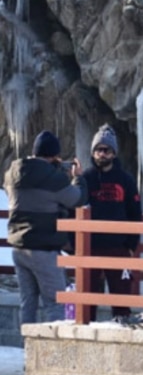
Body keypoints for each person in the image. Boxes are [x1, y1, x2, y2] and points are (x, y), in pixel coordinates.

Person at [4, 130, 88, 324]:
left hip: (19, 248)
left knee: (28, 302)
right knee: (54, 302)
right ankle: (54, 350)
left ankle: (28, 348)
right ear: (54, 156)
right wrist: (77, 178)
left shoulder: (12, 173)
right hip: (44, 250)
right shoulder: (53, 179)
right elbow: (77, 198)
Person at [83, 124, 142, 320]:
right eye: (98, 150)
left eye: (106, 150)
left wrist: (131, 245)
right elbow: (71, 210)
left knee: (122, 296)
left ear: (114, 153)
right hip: (90, 247)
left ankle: (123, 329)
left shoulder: (125, 180)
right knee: (86, 297)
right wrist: (75, 245)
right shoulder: (85, 178)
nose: (102, 154)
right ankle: (86, 331)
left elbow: (135, 213)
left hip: (118, 247)